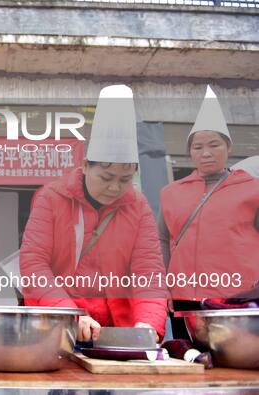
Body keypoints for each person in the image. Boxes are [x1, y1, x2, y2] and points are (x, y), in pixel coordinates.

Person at [20, 85, 167, 342]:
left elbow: (149, 270)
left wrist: (150, 322)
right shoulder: (51, 197)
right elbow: (34, 264)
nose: (115, 187)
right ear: (86, 165)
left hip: (116, 330)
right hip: (55, 324)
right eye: (107, 177)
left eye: (124, 179)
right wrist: (69, 314)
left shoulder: (138, 206)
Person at [158, 86, 259, 339]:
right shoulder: (171, 192)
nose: (205, 153)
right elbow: (162, 239)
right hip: (184, 295)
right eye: (197, 147)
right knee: (192, 357)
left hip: (237, 295)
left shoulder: (253, 188)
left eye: (214, 144)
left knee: (237, 357)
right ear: (190, 152)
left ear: (228, 147)